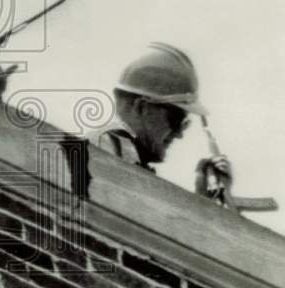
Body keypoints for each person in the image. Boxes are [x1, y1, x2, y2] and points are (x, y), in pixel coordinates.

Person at [89, 42, 232, 202]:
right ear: (141, 108)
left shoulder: (124, 154)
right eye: (175, 119)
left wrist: (202, 198)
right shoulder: (110, 146)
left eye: (184, 123)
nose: (179, 135)